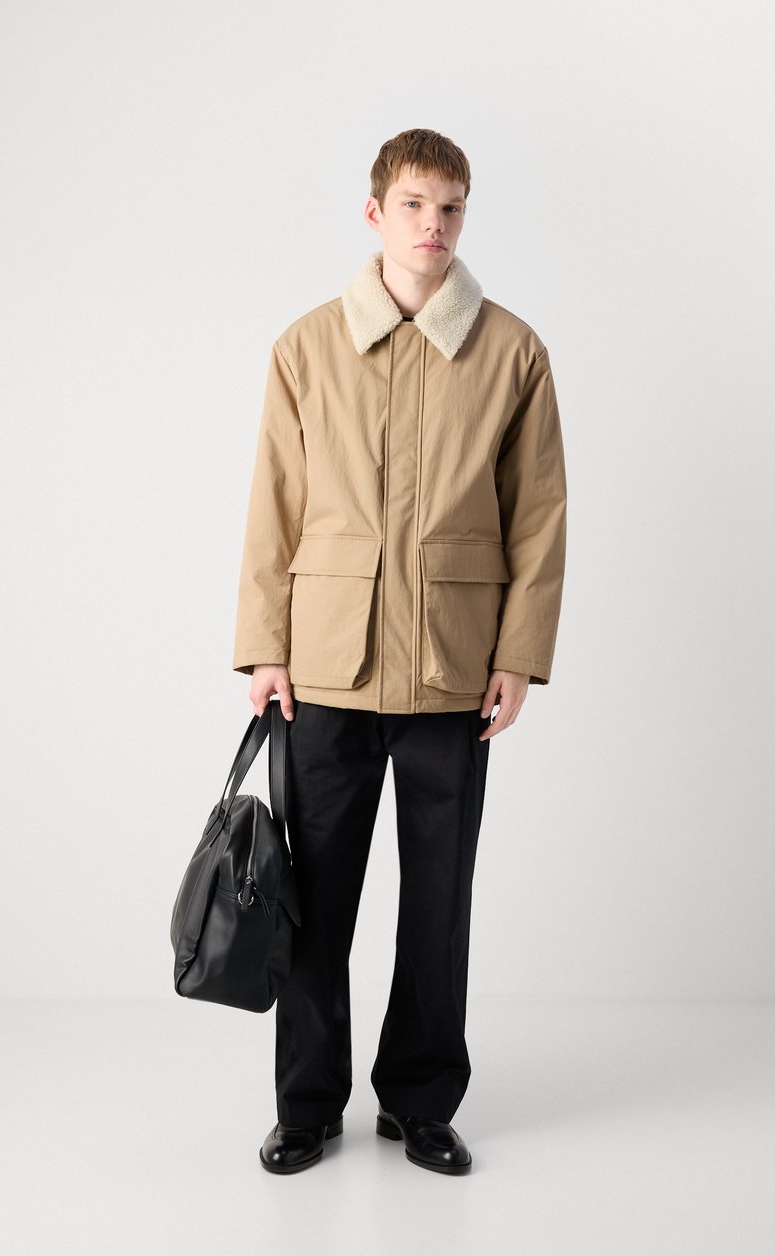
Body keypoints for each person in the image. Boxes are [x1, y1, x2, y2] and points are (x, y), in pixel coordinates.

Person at [232, 128, 567, 1175]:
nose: (435, 225)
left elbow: (538, 516)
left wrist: (517, 652)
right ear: (376, 213)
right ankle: (306, 1105)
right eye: (415, 205)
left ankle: (419, 1101)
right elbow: (274, 504)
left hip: (452, 669)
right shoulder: (307, 347)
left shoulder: (512, 352)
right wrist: (264, 647)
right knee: (315, 901)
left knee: (438, 904)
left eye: (451, 207)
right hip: (324, 668)